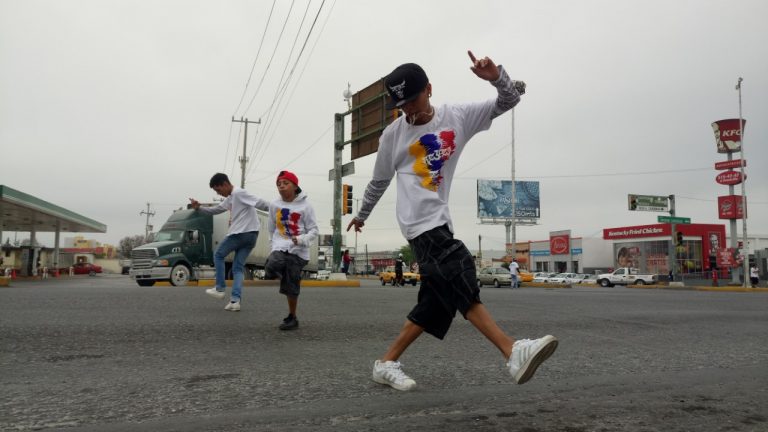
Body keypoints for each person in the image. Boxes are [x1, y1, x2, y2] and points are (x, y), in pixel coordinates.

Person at [346, 51, 557, 391]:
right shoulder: (393, 136)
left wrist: (495, 76)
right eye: (401, 105)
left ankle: (385, 363)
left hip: (440, 221)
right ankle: (512, 350)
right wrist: (362, 214)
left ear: (429, 89)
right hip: (418, 225)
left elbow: (508, 99)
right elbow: (379, 181)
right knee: (460, 272)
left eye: (412, 100)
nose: (408, 111)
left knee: (436, 302)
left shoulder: (457, 116)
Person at [189, 173, 270, 312]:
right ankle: (235, 301)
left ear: (225, 184)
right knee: (237, 268)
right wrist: (199, 208)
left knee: (218, 255)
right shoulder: (231, 197)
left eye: (218, 190)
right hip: (252, 235)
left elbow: (260, 203)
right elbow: (216, 209)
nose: (219, 194)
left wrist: (279, 208)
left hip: (241, 233)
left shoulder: (238, 193)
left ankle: (220, 288)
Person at [264, 171, 319, 330]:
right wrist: (272, 246)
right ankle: (283, 276)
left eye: (285, 183)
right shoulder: (274, 205)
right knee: (273, 264)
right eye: (279, 184)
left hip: (299, 251)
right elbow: (271, 228)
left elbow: (314, 231)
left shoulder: (306, 206)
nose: (281, 186)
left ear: (295, 186)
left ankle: (292, 317)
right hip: (280, 246)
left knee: (292, 288)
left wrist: (300, 239)